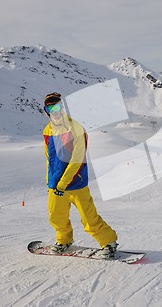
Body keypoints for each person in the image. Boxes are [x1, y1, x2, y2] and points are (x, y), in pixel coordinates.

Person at [42, 92, 118, 257]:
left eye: (58, 107)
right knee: (56, 216)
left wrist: (63, 183)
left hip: (76, 182)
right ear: (46, 111)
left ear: (62, 108)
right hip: (55, 184)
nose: (55, 111)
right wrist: (51, 181)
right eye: (50, 108)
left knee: (88, 217)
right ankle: (64, 240)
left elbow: (77, 159)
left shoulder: (75, 128)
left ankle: (109, 242)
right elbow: (49, 158)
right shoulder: (47, 131)